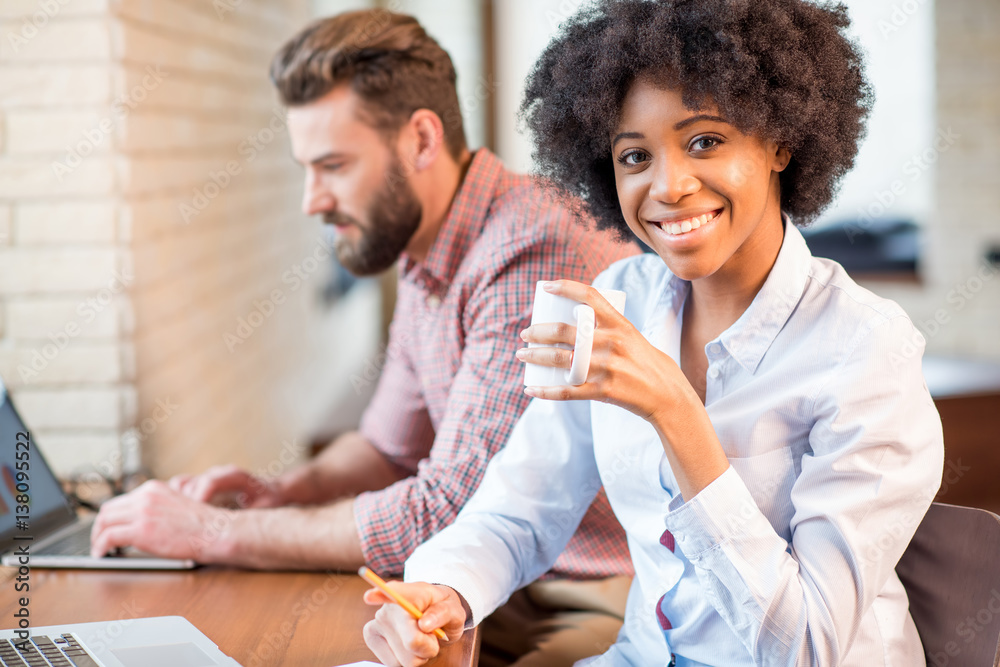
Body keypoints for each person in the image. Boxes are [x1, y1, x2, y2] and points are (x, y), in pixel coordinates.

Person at [361, 0, 945, 665]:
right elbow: (521, 506)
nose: (667, 186)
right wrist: (442, 589)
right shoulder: (619, 303)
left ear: (780, 139)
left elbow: (806, 645)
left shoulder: (866, 350)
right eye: (634, 155)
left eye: (704, 141)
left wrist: (676, 411)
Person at [89, 10, 639, 665]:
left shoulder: (528, 251)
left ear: (422, 140)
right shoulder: (424, 244)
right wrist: (287, 490)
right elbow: (386, 447)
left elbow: (443, 509)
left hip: (588, 586)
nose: (312, 200)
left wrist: (212, 530)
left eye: (333, 165)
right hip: (490, 577)